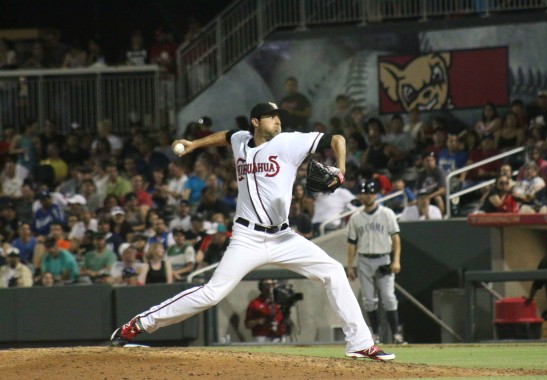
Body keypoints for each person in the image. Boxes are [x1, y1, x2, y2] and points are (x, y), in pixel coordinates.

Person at [110, 101, 395, 361]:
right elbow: (225, 135)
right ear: (256, 122)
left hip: (284, 236)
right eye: (272, 118)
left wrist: (341, 169)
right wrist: (195, 144)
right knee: (211, 293)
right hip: (247, 237)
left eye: (279, 117)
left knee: (333, 271)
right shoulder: (241, 140)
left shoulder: (289, 142)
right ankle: (136, 326)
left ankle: (359, 343)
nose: (278, 122)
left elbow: (337, 138)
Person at [347, 180, 406, 345]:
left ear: (376, 194)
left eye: (370, 192)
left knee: (388, 297)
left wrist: (396, 260)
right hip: (364, 259)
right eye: (365, 193)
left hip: (383, 259)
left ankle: (397, 334)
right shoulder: (356, 218)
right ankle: (375, 335)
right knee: (369, 300)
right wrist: (350, 266)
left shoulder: (387, 213)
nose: (367, 195)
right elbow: (351, 244)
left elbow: (396, 239)